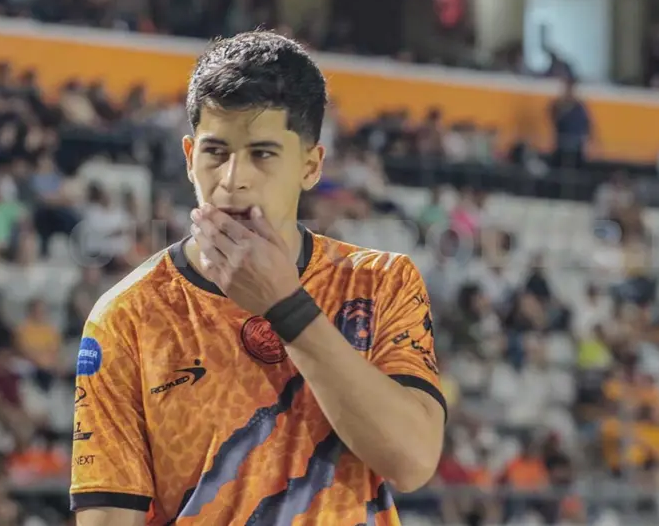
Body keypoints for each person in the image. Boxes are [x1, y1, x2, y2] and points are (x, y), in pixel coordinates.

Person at [70, 32, 446, 525]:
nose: (233, 180)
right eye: (216, 152)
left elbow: (412, 461)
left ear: (310, 165)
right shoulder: (127, 315)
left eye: (262, 154)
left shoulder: (380, 282)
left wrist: (286, 306)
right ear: (189, 157)